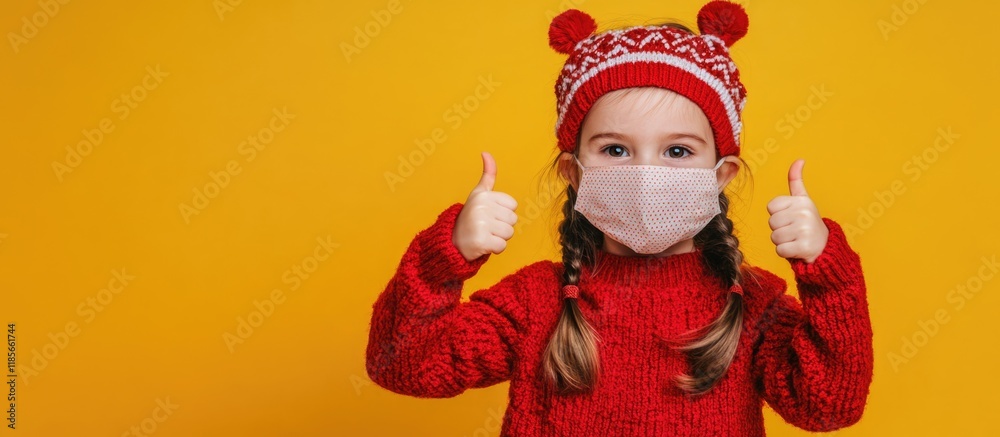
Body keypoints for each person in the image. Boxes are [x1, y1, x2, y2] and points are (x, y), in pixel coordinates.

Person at [365, 1, 874, 435]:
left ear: (721, 175)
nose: (646, 173)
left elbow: (829, 405)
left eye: (677, 151)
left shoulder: (752, 306)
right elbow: (402, 365)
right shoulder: (534, 302)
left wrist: (828, 274)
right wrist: (444, 257)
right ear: (574, 170)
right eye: (615, 149)